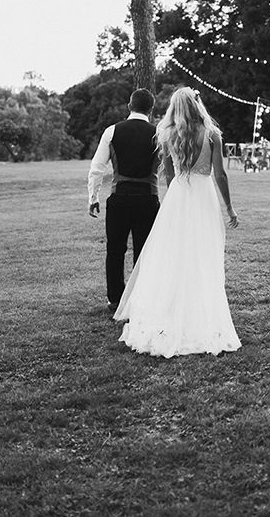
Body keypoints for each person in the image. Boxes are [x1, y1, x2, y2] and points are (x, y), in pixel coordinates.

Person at [114, 87, 240, 358]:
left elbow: (170, 178)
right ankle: (200, 309)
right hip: (204, 197)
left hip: (178, 197)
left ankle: (173, 307)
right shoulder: (212, 134)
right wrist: (229, 208)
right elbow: (220, 175)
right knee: (205, 254)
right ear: (197, 105)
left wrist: (177, 201)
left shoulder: (169, 134)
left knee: (175, 254)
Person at [88, 88, 160, 313]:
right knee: (144, 252)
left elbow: (97, 168)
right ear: (151, 109)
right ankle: (141, 297)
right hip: (148, 198)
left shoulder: (112, 131)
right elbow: (167, 169)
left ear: (130, 106)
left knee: (115, 250)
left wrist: (93, 197)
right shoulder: (159, 134)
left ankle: (115, 299)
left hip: (120, 198)